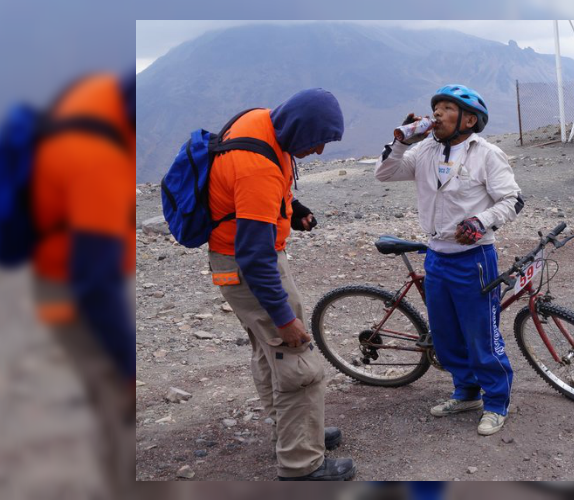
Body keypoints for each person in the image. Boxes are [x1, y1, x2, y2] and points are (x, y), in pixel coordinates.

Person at [206, 88, 357, 481]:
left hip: (233, 262)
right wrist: (285, 319)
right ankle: (301, 465)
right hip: (250, 268)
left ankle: (294, 433)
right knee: (294, 356)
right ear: (298, 129)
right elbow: (255, 258)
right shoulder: (256, 169)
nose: (319, 151)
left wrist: (294, 209)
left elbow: (254, 201)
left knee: (268, 351)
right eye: (317, 141)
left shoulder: (263, 121)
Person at [375, 84, 522, 436]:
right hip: (436, 256)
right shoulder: (425, 149)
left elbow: (513, 200)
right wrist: (401, 142)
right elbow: (384, 173)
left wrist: (481, 221)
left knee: (481, 334)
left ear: (469, 120)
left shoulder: (486, 154)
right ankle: (466, 393)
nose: (437, 113)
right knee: (446, 334)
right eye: (436, 107)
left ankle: (496, 402)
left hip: (475, 258)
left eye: (447, 108)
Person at [30, 70, 136, 499]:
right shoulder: (96, 160)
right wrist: (128, 366)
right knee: (123, 412)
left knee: (107, 410)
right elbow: (94, 284)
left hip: (60, 280)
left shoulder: (96, 94)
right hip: (78, 299)